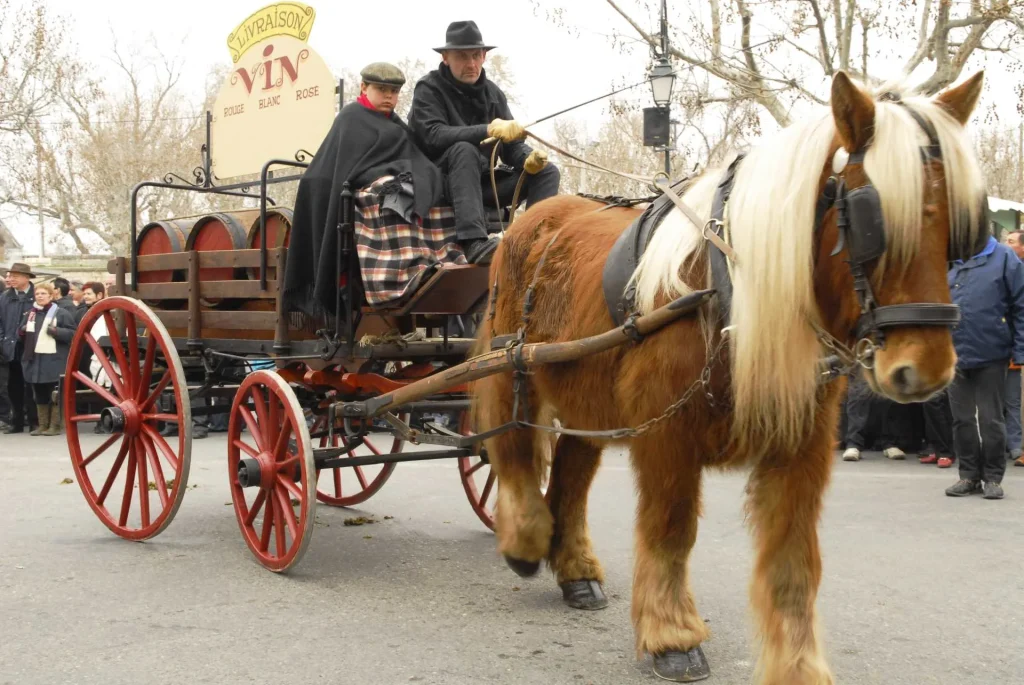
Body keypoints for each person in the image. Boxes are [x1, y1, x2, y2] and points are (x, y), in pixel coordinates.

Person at [283, 62, 445, 315]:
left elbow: (412, 157)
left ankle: (432, 264)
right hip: (349, 193)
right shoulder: (351, 118)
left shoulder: (396, 125)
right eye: (382, 89)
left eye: (394, 91)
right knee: (391, 196)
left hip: (377, 186)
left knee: (427, 192)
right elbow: (349, 169)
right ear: (364, 87)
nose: (389, 96)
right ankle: (393, 280)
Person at [408, 20, 560, 265]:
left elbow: (510, 146)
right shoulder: (428, 89)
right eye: (462, 56)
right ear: (446, 57)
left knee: (547, 171)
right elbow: (433, 136)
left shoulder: (493, 93)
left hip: (481, 186)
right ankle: (474, 243)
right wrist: (487, 129)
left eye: (476, 56)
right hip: (438, 184)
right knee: (464, 150)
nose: (471, 64)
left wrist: (527, 159)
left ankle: (534, 244)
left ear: (484, 56)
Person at [945, 234, 1024, 499]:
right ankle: (968, 476)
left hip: (992, 352)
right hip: (953, 354)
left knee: (991, 419)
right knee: (961, 419)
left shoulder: (1004, 257)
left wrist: (1020, 350)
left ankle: (992, 478)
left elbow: (1021, 306)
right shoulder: (947, 257)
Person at [17, 282, 76, 435]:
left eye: (43, 294)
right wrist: (23, 331)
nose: (40, 296)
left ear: (51, 296)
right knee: (39, 394)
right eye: (37, 294)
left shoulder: (61, 313)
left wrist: (56, 331)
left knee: (54, 393)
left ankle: (55, 426)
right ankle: (42, 425)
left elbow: (73, 334)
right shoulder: (30, 314)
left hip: (54, 360)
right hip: (35, 360)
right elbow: (20, 335)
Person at [1, 263, 39, 434]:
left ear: (26, 278)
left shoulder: (37, 296)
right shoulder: (5, 297)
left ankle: (35, 422)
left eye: (15, 276)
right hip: (10, 347)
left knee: (32, 386)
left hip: (31, 348)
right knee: (13, 387)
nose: (10, 279)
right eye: (9, 275)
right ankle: (16, 422)